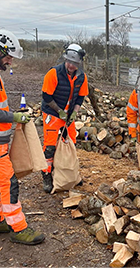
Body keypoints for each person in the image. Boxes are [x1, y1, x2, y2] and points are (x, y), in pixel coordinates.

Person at [0, 28, 46, 245]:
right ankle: (19, 228)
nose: (10, 62)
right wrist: (13, 116)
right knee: (9, 183)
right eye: (7, 57)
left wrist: (12, 116)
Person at [40, 43, 89, 193]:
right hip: (52, 113)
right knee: (50, 147)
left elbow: (81, 97)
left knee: (70, 145)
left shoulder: (82, 77)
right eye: (69, 62)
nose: (70, 65)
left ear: (78, 63)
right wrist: (59, 111)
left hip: (69, 115)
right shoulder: (53, 73)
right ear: (65, 59)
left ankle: (71, 174)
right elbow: (46, 96)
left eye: (74, 63)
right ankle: (47, 175)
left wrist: (74, 112)